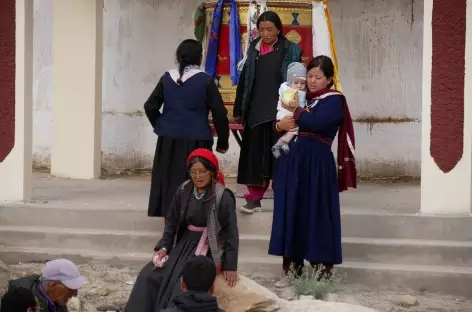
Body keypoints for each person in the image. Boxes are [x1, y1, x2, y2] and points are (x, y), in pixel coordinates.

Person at [268, 55, 356, 288]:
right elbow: (279, 122)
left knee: (316, 213)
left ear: (329, 79)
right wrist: (279, 126)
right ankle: (292, 271)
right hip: (291, 162)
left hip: (317, 164)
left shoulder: (334, 100)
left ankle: (320, 273)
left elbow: (316, 123)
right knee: (291, 211)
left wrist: (296, 111)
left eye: (318, 77)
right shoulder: (300, 97)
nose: (313, 81)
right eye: (309, 76)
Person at [124, 148, 239, 312]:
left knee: (180, 284)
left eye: (202, 171)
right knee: (148, 275)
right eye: (193, 172)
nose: (197, 176)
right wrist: (164, 247)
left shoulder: (223, 196)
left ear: (212, 172)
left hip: (207, 249)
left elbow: (231, 233)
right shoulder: (184, 190)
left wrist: (230, 266)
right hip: (183, 243)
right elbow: (171, 222)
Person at [145, 39, 230, 218]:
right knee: (196, 179)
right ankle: (194, 220)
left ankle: (170, 221)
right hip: (197, 138)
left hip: (168, 139)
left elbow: (150, 106)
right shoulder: (205, 80)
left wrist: (161, 125)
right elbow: (220, 114)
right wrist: (222, 142)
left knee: (169, 179)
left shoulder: (167, 78)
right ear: (199, 57)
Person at [234, 11, 302, 214]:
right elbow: (244, 81)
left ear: (279, 30)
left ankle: (285, 199)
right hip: (255, 111)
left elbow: (299, 81)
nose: (265, 33)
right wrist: (239, 109)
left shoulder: (291, 50)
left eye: (269, 29)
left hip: (281, 112)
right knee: (255, 157)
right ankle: (254, 199)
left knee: (281, 155)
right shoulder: (253, 51)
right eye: (261, 29)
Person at [6, 259, 87, 312]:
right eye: (70, 289)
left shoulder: (57, 298)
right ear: (53, 284)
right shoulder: (22, 299)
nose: (74, 294)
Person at [271, 62, 307, 158]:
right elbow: (287, 101)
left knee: (294, 130)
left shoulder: (303, 92)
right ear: (290, 82)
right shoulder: (287, 90)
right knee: (294, 129)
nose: (299, 86)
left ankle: (281, 144)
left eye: (302, 83)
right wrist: (292, 104)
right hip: (285, 114)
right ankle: (281, 143)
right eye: (296, 82)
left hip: (293, 115)